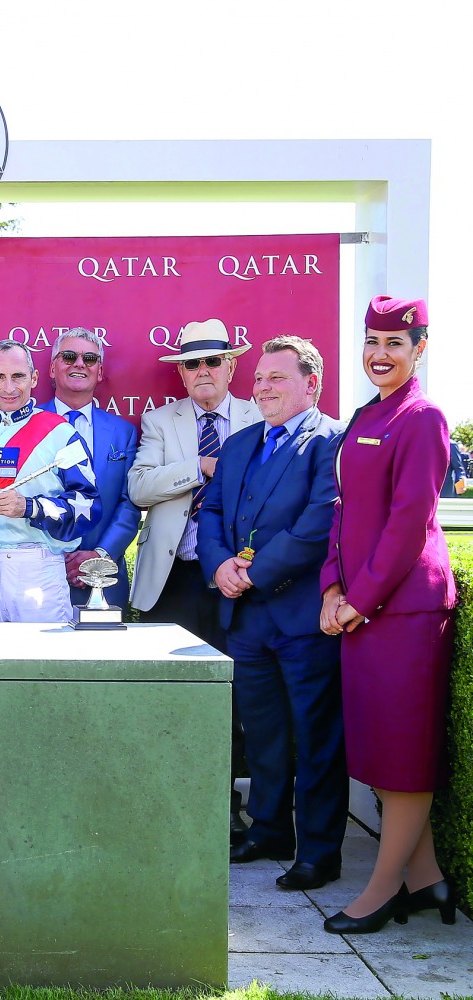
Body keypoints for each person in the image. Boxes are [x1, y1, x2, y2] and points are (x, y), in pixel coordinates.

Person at [319, 296, 458, 933]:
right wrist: (330, 589)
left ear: (420, 348)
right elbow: (343, 512)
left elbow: (408, 527)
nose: (380, 353)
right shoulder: (366, 413)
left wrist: (357, 600)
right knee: (379, 747)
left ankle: (380, 893)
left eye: (395, 343)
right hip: (362, 608)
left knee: (402, 754)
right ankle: (427, 881)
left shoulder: (423, 417)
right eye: (373, 339)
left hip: (403, 612)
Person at [197, 335, 348, 892]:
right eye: (259, 378)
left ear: (312, 384)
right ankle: (268, 830)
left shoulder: (330, 441)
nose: (262, 387)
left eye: (276, 378)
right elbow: (211, 511)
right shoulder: (238, 445)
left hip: (303, 615)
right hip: (246, 617)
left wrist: (253, 573)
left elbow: (319, 522)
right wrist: (219, 569)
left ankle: (317, 849)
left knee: (314, 735)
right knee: (261, 731)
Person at [128, 318, 259, 843]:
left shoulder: (260, 415)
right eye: (192, 363)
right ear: (181, 373)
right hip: (176, 580)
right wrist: (199, 466)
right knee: (168, 698)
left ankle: (225, 807)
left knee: (234, 699)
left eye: (212, 361)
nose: (202, 371)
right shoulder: (160, 421)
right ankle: (167, 805)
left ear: (231, 365)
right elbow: (139, 488)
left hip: (239, 579)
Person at [0, 340, 100, 623]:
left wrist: (29, 507)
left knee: (45, 666)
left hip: (40, 571)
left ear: (34, 378)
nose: (9, 388)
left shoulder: (61, 432)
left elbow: (89, 506)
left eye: (18, 376)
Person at [38, 327, 139, 609]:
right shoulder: (27, 426)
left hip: (102, 580)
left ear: (100, 371)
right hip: (37, 575)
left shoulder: (123, 433)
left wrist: (99, 556)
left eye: (90, 359)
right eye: (68, 356)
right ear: (52, 368)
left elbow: (129, 503)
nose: (79, 364)